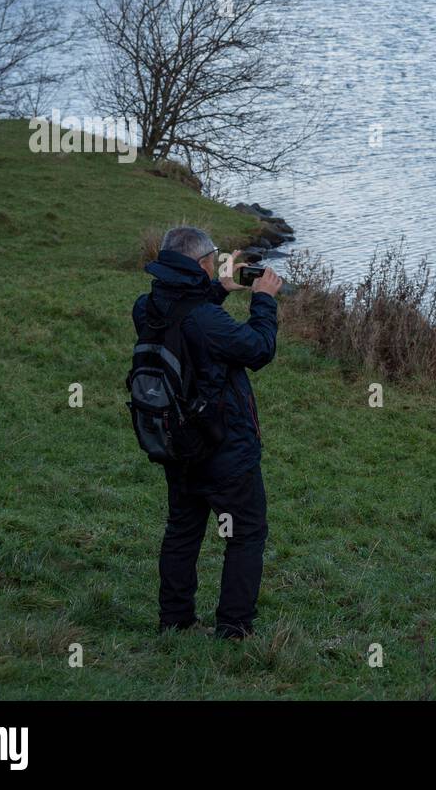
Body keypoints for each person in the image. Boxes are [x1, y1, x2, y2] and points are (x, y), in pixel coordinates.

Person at [132, 226, 283, 639]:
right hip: (224, 448)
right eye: (212, 259)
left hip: (175, 441)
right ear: (200, 263)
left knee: (183, 529)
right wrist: (263, 301)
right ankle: (234, 628)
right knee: (246, 533)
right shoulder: (205, 319)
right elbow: (258, 349)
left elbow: (186, 325)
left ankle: (175, 621)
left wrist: (218, 289)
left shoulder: (147, 307)